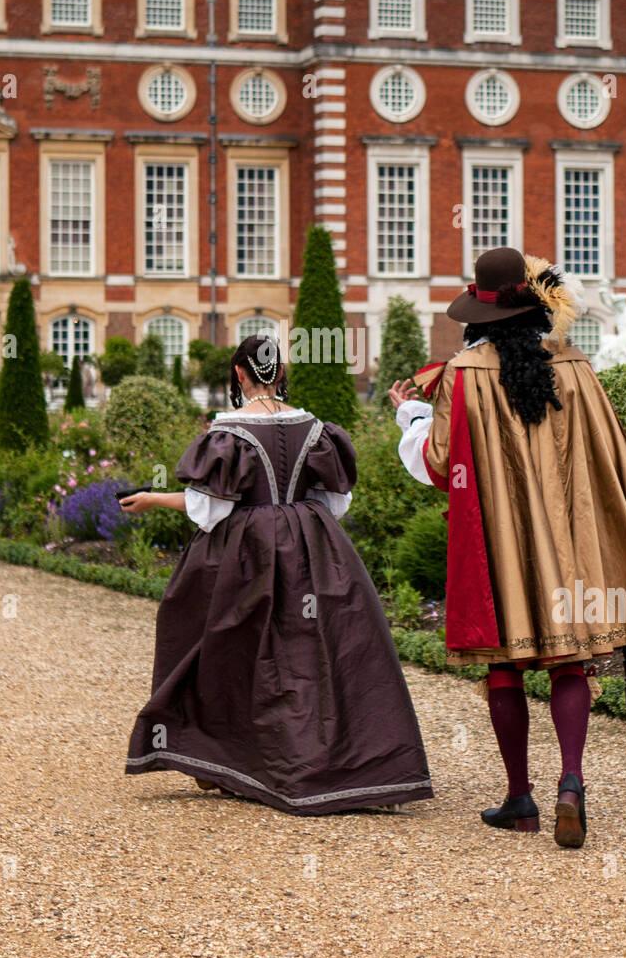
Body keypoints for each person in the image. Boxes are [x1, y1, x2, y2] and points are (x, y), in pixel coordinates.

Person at [389, 247, 626, 848]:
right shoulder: (577, 367)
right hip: (569, 535)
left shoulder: (465, 373)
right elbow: (608, 457)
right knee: (568, 660)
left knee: (505, 662)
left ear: (478, 313)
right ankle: (571, 784)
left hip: (501, 539)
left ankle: (519, 798)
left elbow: (440, 462)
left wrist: (411, 417)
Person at [122, 334, 433, 816]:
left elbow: (212, 508)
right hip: (314, 543)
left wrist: (152, 499)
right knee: (316, 650)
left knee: (227, 646)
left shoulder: (228, 432)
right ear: (280, 374)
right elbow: (336, 503)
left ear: (240, 375)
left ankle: (231, 759)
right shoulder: (315, 428)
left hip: (247, 551)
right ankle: (344, 763)